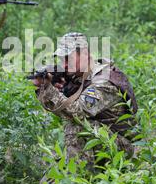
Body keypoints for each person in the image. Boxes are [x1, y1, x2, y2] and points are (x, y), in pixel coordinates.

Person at [31, 32, 138, 164]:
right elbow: (62, 112)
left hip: (120, 148)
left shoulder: (103, 80)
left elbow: (77, 113)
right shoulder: (79, 77)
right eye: (61, 59)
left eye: (68, 58)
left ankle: (84, 177)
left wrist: (49, 89)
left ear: (85, 54)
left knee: (76, 128)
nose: (64, 64)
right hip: (100, 140)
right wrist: (45, 89)